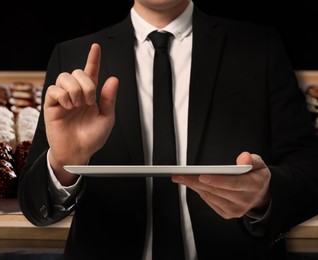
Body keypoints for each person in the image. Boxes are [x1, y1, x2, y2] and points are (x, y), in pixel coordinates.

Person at [17, 0, 318, 259]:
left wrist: (265, 193)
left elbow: (309, 169)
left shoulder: (257, 46)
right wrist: (64, 162)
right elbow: (36, 208)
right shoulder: (72, 55)